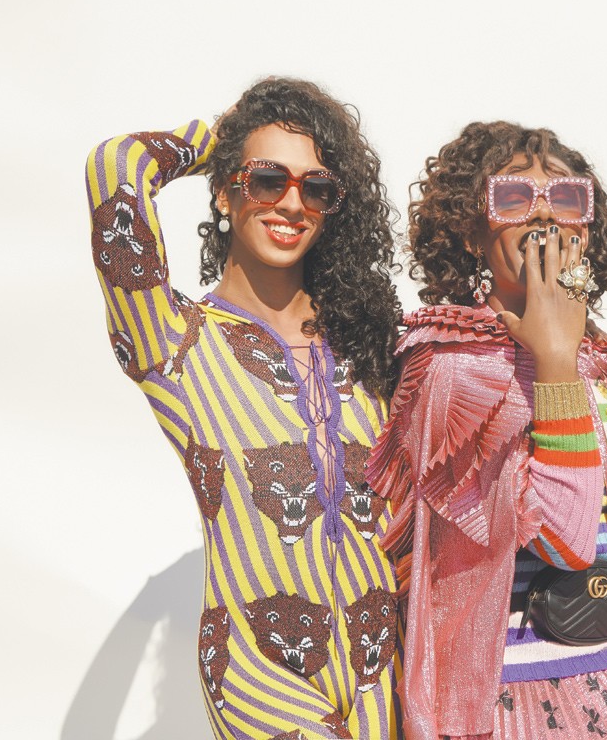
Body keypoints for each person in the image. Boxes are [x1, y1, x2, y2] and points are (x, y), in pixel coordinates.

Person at [366, 121, 607, 740]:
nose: (543, 215)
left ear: (586, 231)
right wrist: (554, 357)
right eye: (514, 196)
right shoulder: (454, 368)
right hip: (509, 696)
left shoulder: (591, 361)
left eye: (566, 198)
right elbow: (564, 543)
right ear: (471, 231)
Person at [84, 78, 405, 739]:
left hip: (383, 664)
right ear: (225, 192)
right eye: (266, 179)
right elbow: (116, 164)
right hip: (257, 671)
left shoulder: (370, 346)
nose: (292, 202)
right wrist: (216, 139)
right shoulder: (172, 339)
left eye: (316, 188)